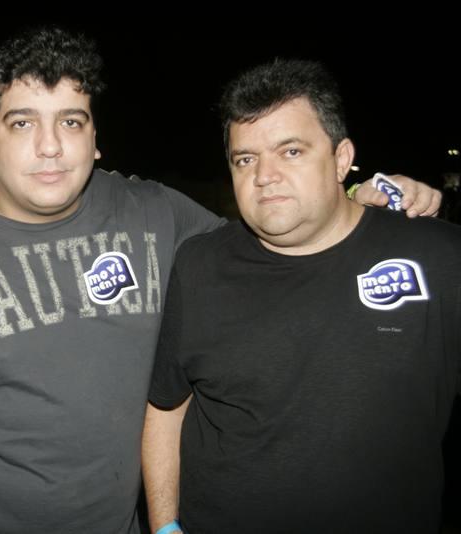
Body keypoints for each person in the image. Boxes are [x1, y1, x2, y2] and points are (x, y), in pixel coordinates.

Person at [0, 28, 440, 533]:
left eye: (71, 121)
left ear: (95, 138)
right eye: (23, 122)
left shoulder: (153, 213)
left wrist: (356, 197)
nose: (50, 145)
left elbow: (271, 239)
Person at [143, 58, 460, 534]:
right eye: (245, 159)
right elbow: (166, 407)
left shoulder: (438, 258)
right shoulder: (197, 265)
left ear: (341, 158)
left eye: (290, 151)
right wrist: (165, 526)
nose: (264, 175)